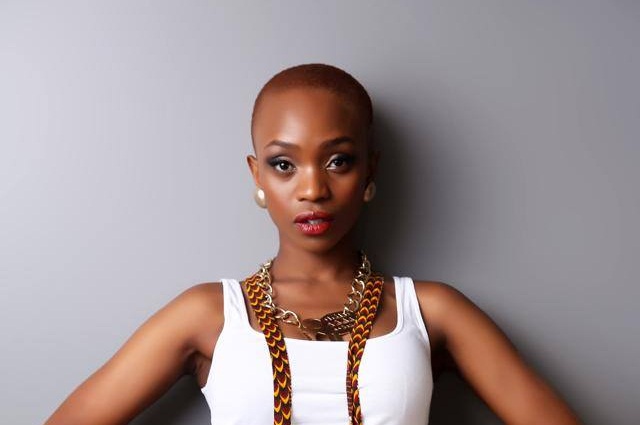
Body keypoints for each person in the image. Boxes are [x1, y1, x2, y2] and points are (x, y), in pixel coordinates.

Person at [44, 63, 581, 425]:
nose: (312, 189)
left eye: (338, 160)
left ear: (369, 171)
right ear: (257, 175)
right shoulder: (208, 313)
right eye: (284, 164)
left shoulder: (431, 310)